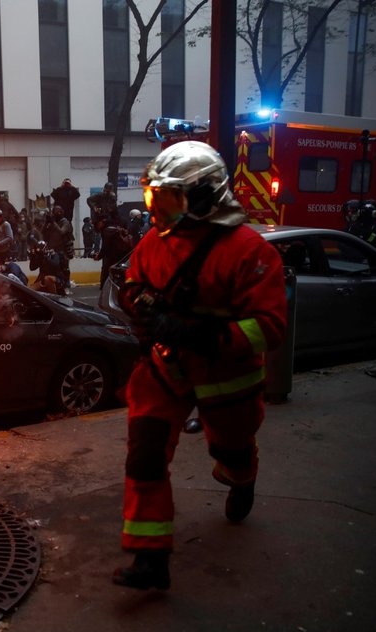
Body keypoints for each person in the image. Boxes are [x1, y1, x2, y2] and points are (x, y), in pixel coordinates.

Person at [112, 140, 288, 591]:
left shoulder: (250, 251)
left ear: (205, 197)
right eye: (154, 198)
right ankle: (151, 558)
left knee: (231, 448)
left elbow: (268, 327)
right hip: (166, 369)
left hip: (227, 377)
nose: (156, 212)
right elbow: (133, 283)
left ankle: (241, 475)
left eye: (168, 201)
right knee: (145, 454)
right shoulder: (154, 242)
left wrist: (196, 333)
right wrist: (139, 306)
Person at [94, 206, 133, 289]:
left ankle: (105, 287)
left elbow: (105, 246)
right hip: (124, 252)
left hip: (111, 255)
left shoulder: (107, 230)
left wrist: (99, 256)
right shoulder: (123, 221)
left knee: (107, 270)